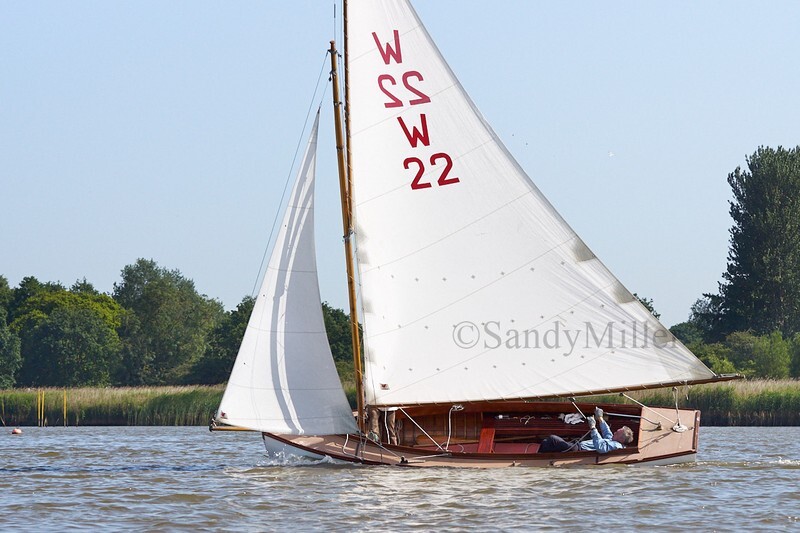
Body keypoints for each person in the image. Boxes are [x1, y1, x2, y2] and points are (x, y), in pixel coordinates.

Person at [538, 407, 633, 453]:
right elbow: (607, 432)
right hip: (577, 445)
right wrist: (600, 418)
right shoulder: (613, 440)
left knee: (552, 439)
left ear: (621, 439)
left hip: (577, 449)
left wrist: (593, 427)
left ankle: (540, 457)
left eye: (617, 432)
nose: (615, 432)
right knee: (549, 441)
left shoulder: (616, 445)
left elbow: (600, 447)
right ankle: (543, 455)